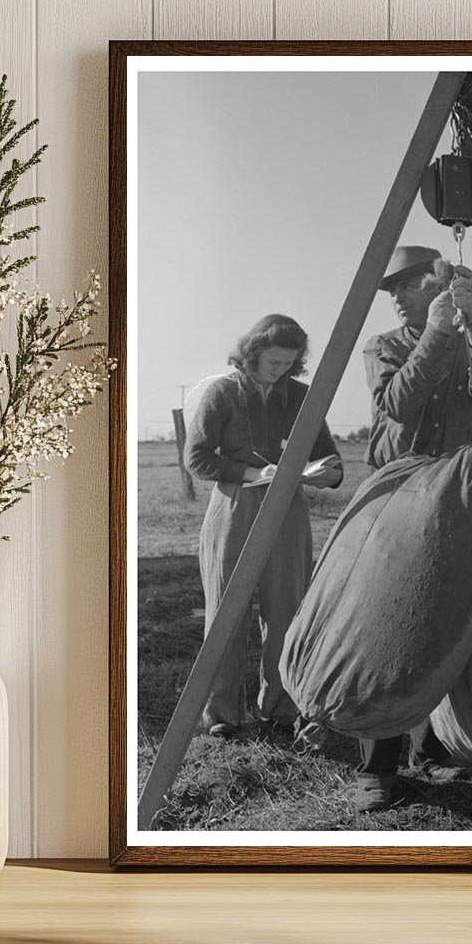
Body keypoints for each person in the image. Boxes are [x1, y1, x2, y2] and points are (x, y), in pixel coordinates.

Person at [354, 245, 472, 811]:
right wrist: (438, 333)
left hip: (456, 495)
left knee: (445, 613)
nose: (396, 297)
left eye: (407, 284)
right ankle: (377, 769)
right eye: (392, 290)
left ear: (440, 284)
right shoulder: (383, 345)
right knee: (386, 626)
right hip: (397, 497)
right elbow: (398, 404)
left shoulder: (468, 337)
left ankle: (431, 751)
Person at [184, 314, 343, 739]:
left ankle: (281, 709)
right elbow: (197, 458)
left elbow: (329, 456)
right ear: (252, 353)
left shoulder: (303, 396)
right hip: (235, 508)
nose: (282, 370)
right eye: (275, 362)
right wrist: (253, 473)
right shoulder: (222, 392)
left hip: (289, 511)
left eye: (290, 363)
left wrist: (329, 474)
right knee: (226, 613)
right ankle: (222, 714)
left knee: (286, 610)